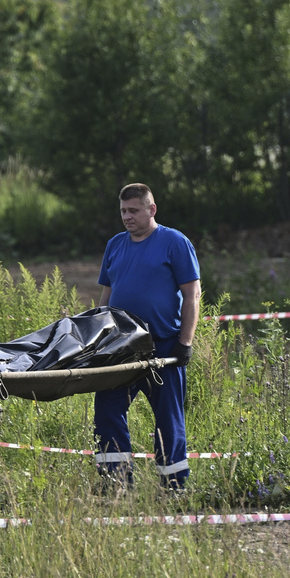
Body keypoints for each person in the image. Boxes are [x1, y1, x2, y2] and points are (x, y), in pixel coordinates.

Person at [93, 183, 201, 492]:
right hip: (120, 347)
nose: (127, 217)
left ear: (151, 209)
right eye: (123, 211)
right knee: (107, 411)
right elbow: (107, 296)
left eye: (134, 211)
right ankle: (116, 484)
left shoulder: (174, 242)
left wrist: (185, 343)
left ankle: (174, 486)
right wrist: (97, 337)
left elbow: (192, 294)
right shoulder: (115, 245)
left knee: (168, 418)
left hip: (163, 346)